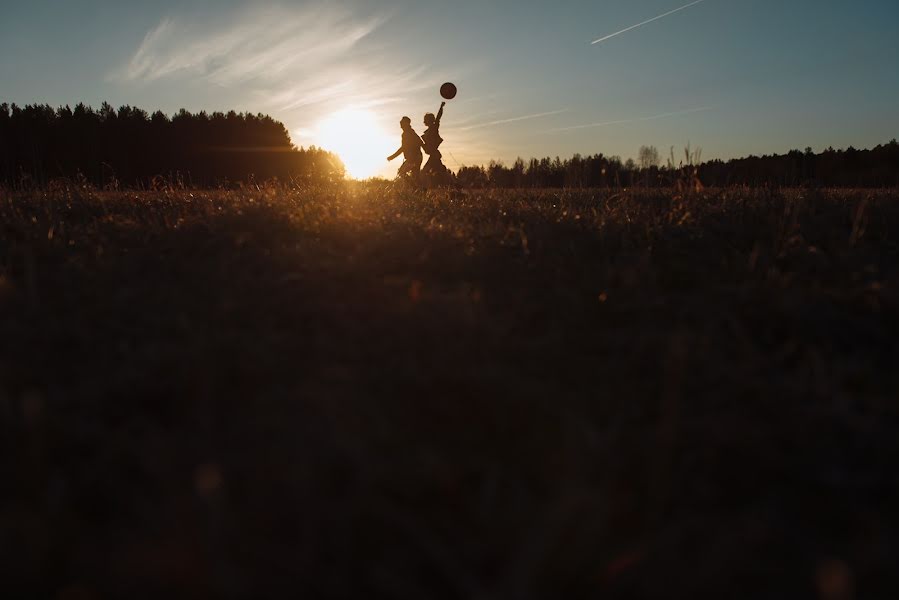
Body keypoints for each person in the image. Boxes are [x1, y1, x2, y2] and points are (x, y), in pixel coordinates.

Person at [387, 116, 423, 181]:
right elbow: (420, 142)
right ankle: (419, 189)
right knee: (415, 176)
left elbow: (403, 148)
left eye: (402, 122)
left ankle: (415, 186)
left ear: (407, 123)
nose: (400, 123)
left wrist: (392, 157)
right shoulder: (411, 132)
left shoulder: (407, 133)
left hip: (413, 158)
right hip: (417, 157)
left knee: (401, 172)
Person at [421, 102, 447, 183]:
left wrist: (441, 107)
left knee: (424, 172)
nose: (424, 121)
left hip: (434, 156)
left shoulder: (433, 128)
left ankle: (424, 189)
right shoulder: (428, 131)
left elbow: (438, 118)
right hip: (434, 155)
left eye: (425, 119)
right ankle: (456, 186)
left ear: (429, 120)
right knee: (442, 173)